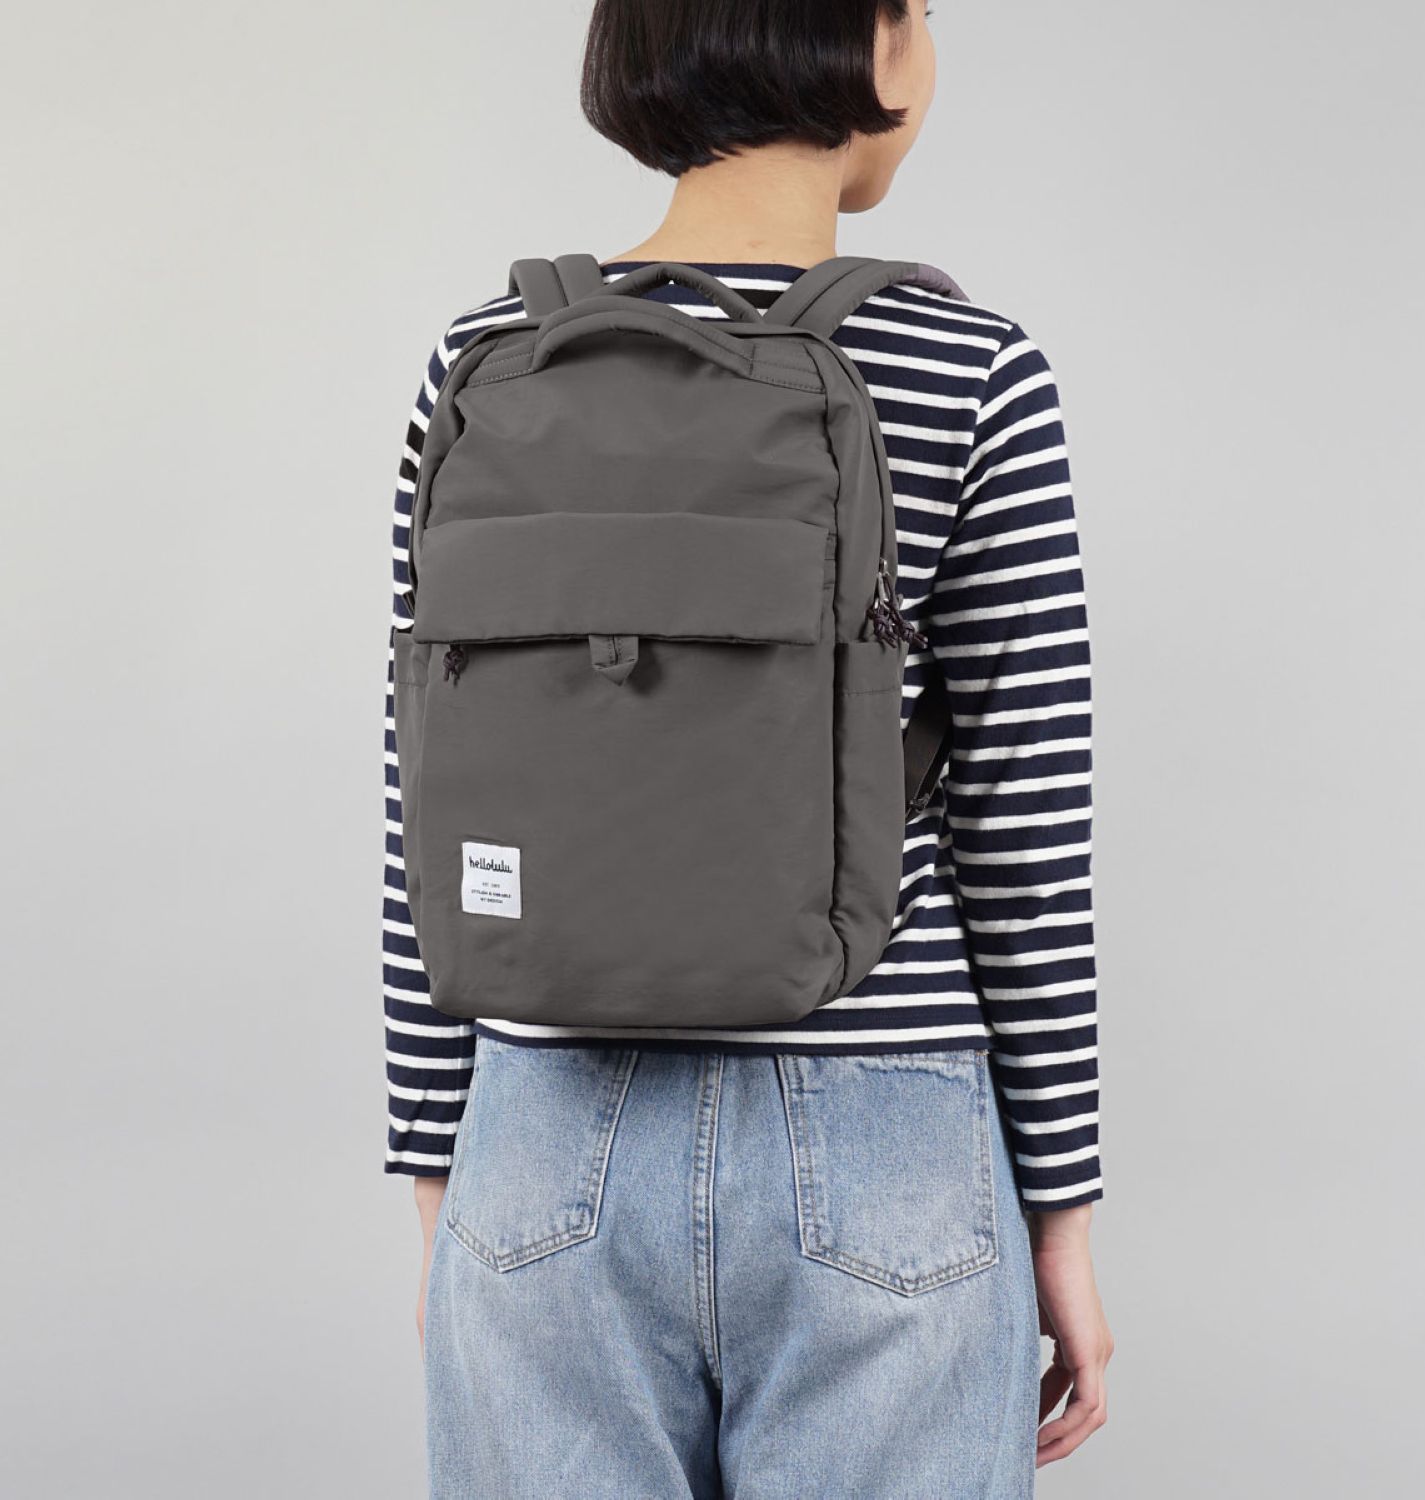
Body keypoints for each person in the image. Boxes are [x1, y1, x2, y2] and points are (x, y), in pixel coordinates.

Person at [383, 3, 1113, 1494]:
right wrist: (1062, 1220)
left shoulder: (485, 357)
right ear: (880, 44)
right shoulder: (971, 367)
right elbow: (1024, 828)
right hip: (883, 1135)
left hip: (542, 1124)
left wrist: (441, 1178)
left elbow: (428, 803)